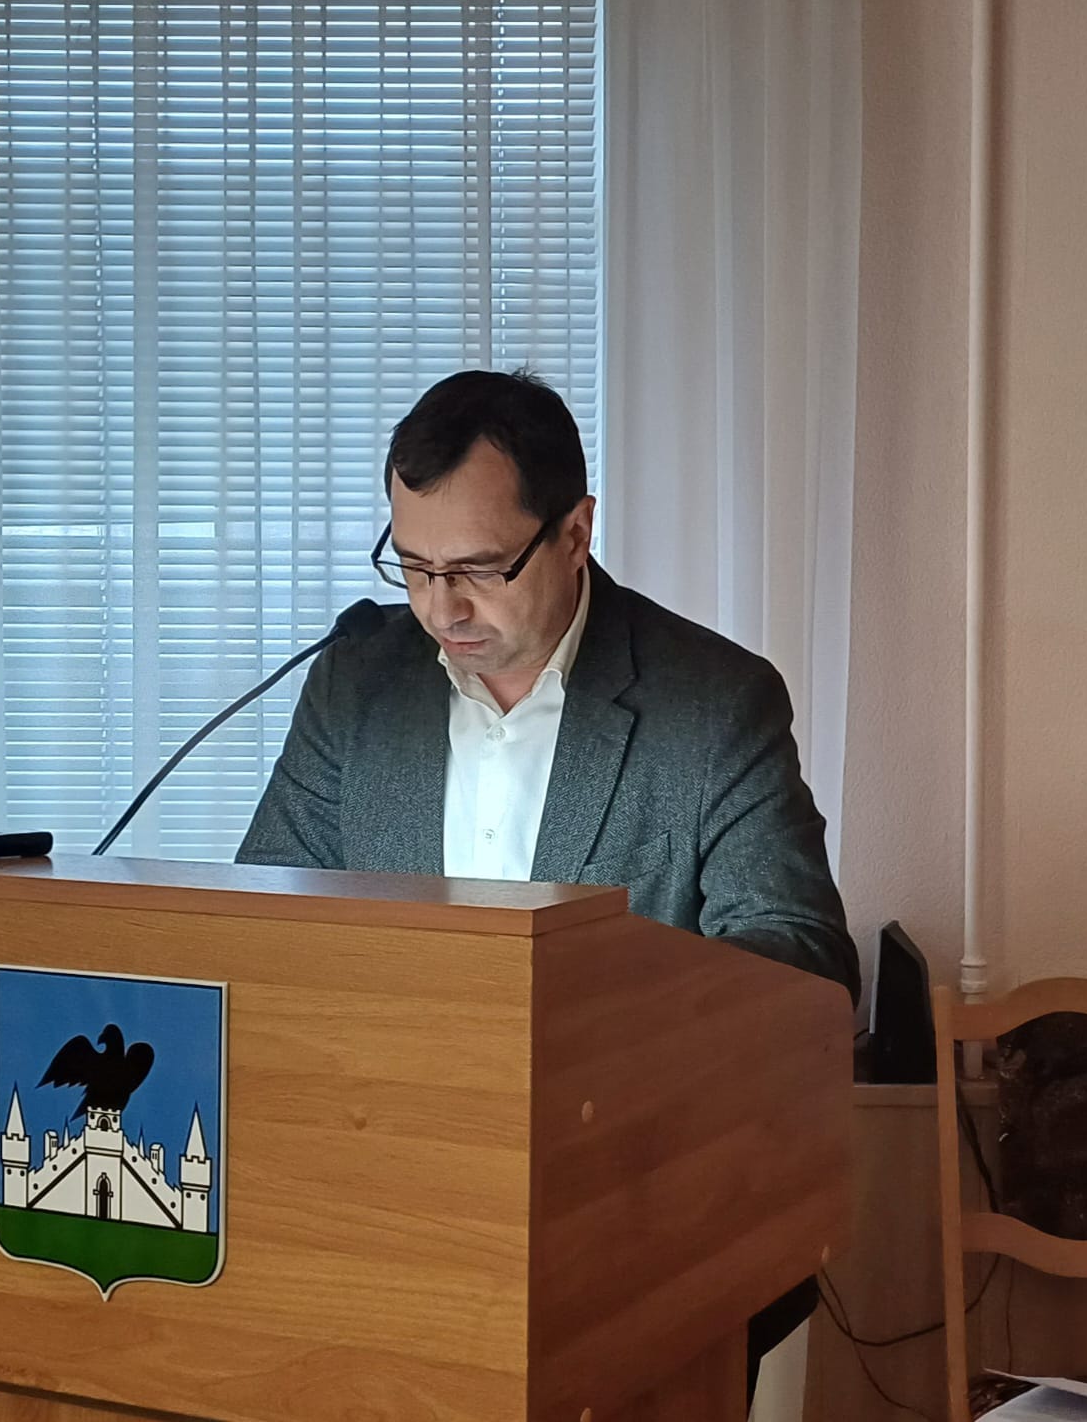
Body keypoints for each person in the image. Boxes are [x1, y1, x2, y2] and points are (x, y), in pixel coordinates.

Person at [237, 367, 860, 1401]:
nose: (441, 607)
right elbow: (264, 924)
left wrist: (592, 1038)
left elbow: (801, 967)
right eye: (413, 567)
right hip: (382, 1224)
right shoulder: (357, 685)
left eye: (479, 568)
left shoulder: (711, 703)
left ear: (575, 530)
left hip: (638, 1233)